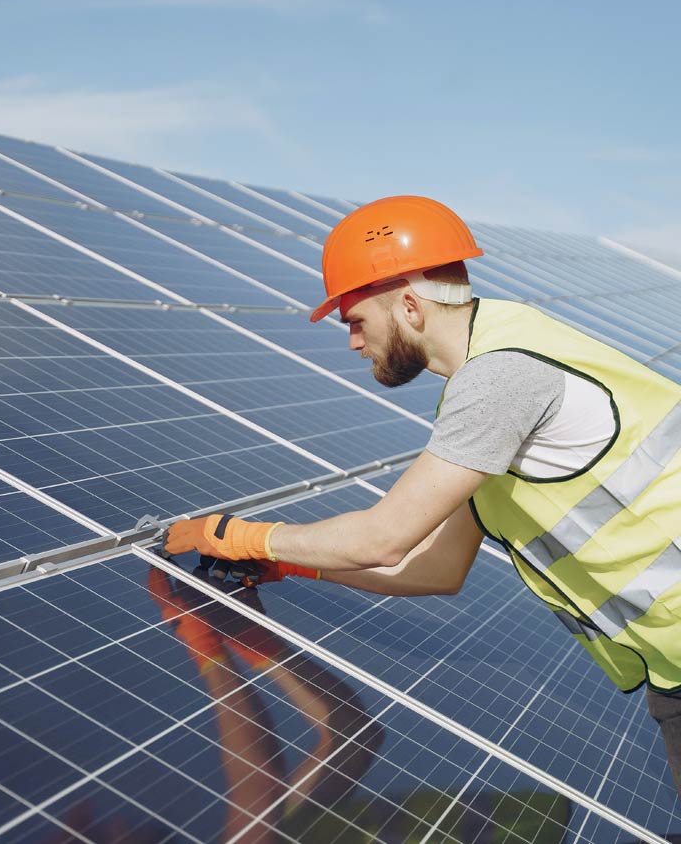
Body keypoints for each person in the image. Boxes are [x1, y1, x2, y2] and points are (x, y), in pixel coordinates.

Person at [162, 195, 681, 798]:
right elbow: (434, 567)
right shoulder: (504, 358)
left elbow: (384, 539)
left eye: (355, 321)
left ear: (409, 304)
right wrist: (292, 563)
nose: (354, 343)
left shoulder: (499, 380)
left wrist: (243, 535)